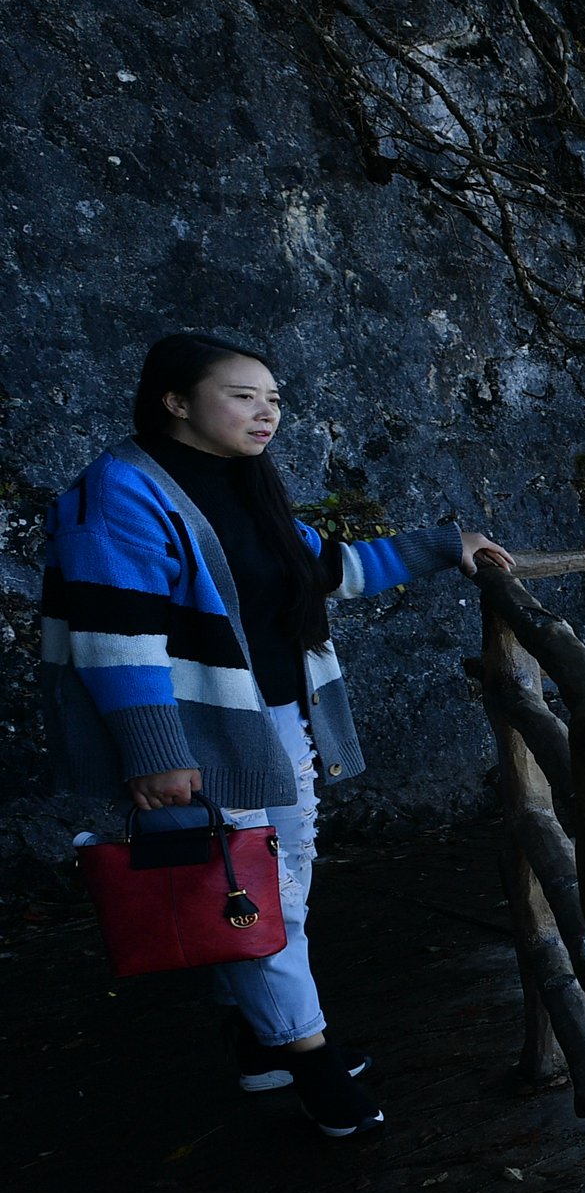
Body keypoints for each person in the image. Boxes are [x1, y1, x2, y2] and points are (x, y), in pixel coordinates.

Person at [39, 333, 514, 1137]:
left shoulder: (243, 485)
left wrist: (445, 546)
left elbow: (327, 569)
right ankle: (309, 1059)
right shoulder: (120, 493)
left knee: (257, 883)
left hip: (273, 720)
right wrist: (158, 755)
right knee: (263, 899)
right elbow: (115, 638)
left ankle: (260, 1044)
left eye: (275, 400)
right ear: (176, 402)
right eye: (242, 396)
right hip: (199, 735)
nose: (267, 414)